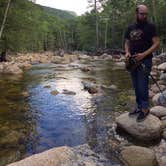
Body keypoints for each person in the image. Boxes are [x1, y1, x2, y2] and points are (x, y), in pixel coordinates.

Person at [124, 5, 160, 121]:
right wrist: (127, 52)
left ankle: (145, 108)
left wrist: (143, 55)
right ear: (136, 14)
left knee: (143, 85)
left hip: (145, 60)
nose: (144, 16)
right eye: (142, 14)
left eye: (146, 14)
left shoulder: (150, 27)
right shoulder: (130, 27)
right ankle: (139, 106)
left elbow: (156, 43)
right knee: (136, 85)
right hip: (132, 61)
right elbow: (127, 42)